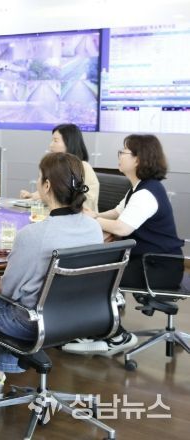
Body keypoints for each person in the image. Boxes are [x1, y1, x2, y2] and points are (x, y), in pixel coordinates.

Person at [0, 152, 103, 399]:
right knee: (16, 306)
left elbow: (9, 290)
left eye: (39, 177)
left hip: (35, 322)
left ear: (46, 186)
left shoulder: (33, 235)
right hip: (79, 317)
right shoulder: (94, 228)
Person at [62, 134, 184, 356]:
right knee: (95, 271)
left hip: (156, 268)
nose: (119, 156)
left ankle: (117, 335)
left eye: (123, 152)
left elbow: (122, 228)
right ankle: (95, 330)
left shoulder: (146, 193)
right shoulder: (138, 188)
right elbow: (117, 212)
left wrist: (93, 220)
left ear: (138, 159)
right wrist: (94, 215)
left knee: (97, 276)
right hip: (151, 262)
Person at [20, 123, 100, 212]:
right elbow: (51, 190)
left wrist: (42, 196)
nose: (51, 145)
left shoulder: (83, 167)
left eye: (55, 141)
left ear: (69, 143)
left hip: (78, 217)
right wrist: (32, 196)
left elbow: (83, 200)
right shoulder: (57, 167)